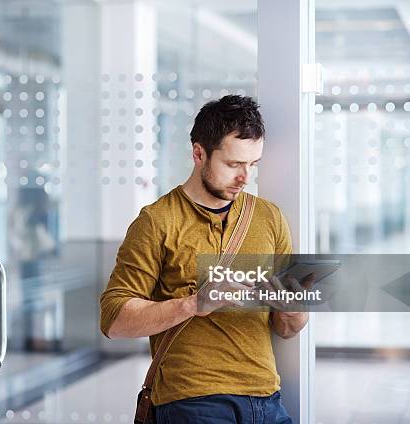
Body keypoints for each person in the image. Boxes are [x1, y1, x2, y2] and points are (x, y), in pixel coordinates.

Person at [99, 95, 309, 424]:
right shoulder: (157, 221)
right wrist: (194, 304)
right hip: (193, 402)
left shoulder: (268, 217)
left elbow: (287, 329)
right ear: (199, 154)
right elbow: (113, 320)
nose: (245, 178)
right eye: (233, 164)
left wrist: (293, 308)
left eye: (253, 164)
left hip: (267, 399)